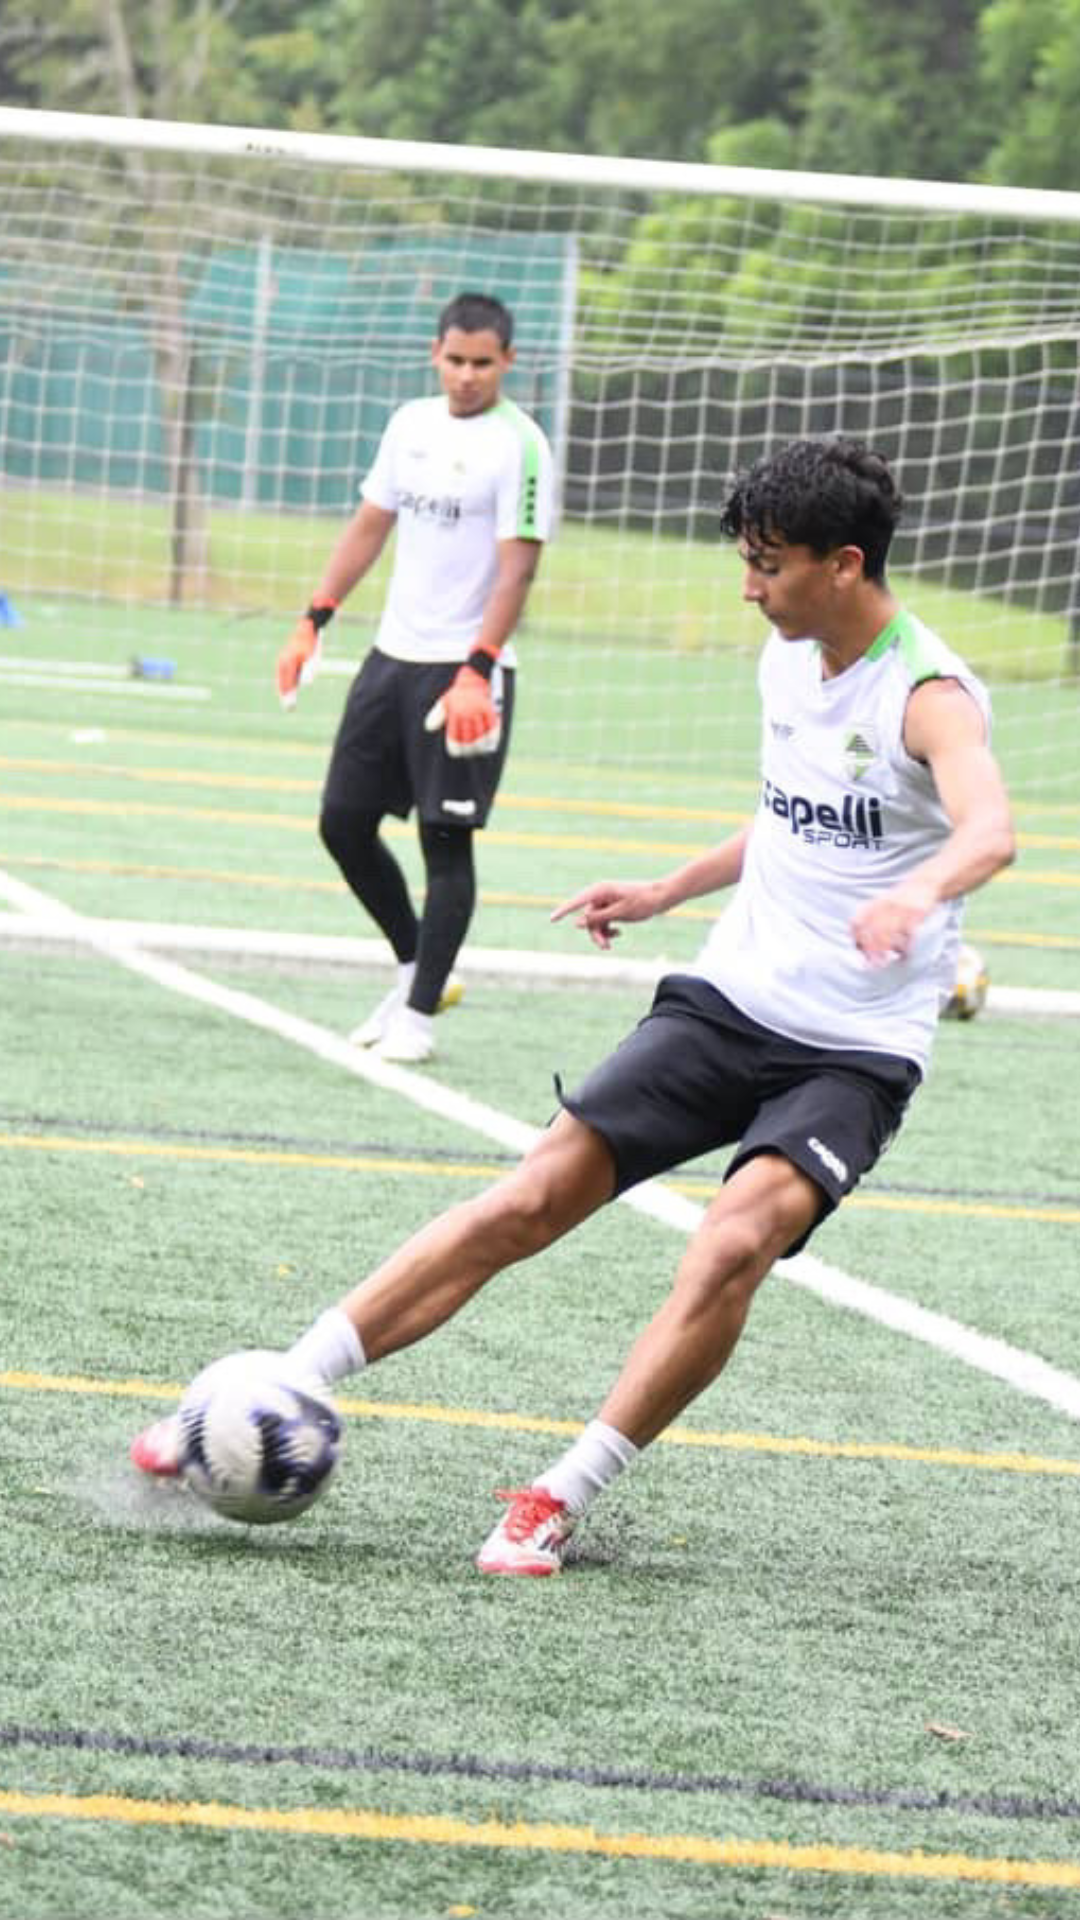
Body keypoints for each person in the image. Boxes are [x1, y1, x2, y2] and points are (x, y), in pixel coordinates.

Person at [133, 437, 1016, 1576]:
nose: (749, 588)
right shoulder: (789, 659)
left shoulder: (931, 695)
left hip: (853, 1051)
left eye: (769, 565)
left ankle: (561, 1493)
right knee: (530, 1196)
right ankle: (281, 1384)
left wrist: (919, 894)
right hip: (729, 1000)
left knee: (731, 1243)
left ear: (844, 564)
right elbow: (791, 813)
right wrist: (666, 889)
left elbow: (990, 830)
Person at [277, 290, 555, 1065]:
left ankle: (419, 1017)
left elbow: (518, 571)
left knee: (445, 841)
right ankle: (414, 968)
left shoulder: (522, 446)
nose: (467, 375)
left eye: (482, 363)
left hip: (467, 670)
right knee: (342, 822)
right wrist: (314, 617)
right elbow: (370, 525)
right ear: (435, 354)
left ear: (508, 362)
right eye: (455, 360)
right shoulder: (409, 425)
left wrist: (477, 669)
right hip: (392, 659)